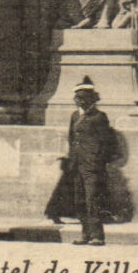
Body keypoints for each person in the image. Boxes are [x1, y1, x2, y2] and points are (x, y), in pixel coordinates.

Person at [48, 76, 116, 246]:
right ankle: (85, 234)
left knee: (93, 199)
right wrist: (71, 161)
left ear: (91, 98)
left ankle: (97, 236)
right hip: (77, 165)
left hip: (92, 166)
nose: (78, 100)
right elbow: (71, 139)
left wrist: (97, 161)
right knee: (79, 200)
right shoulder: (74, 116)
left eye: (83, 97)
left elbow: (107, 142)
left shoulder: (99, 117)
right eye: (77, 97)